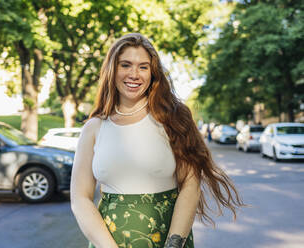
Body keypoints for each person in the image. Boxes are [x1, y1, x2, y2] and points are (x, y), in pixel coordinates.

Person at [71, 33, 244, 248]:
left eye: (143, 67)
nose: (134, 74)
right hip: (108, 241)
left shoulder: (174, 118)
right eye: (125, 65)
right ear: (112, 70)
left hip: (168, 240)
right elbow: (80, 198)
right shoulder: (93, 128)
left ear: (153, 74)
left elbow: (190, 185)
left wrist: (173, 244)